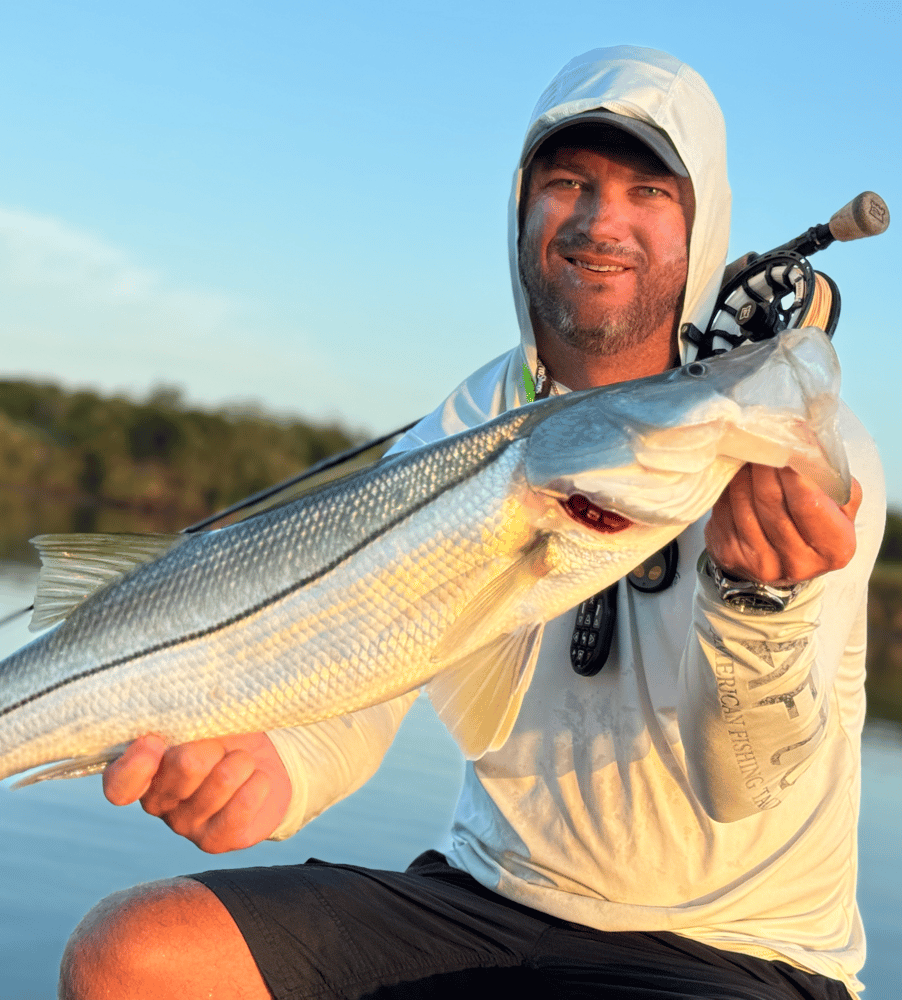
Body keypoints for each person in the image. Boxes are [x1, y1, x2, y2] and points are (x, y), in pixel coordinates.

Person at [58, 46, 885, 1000]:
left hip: (741, 947)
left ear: (701, 227)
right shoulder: (469, 421)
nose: (599, 219)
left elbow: (743, 785)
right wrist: (276, 766)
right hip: (483, 893)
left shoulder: (789, 441)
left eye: (649, 191)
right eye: (567, 180)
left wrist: (754, 603)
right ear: (521, 212)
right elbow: (367, 659)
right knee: (132, 957)